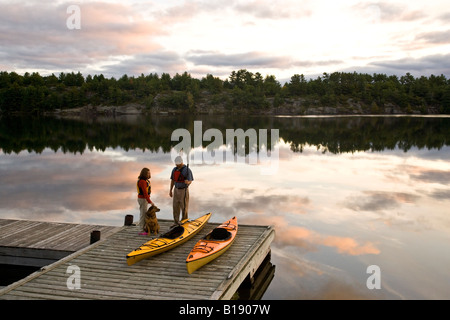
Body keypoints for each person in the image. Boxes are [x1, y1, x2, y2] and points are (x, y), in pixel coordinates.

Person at [169, 156, 193, 226]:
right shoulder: (174, 169)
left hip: (184, 190)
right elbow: (172, 180)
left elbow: (190, 180)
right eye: (175, 163)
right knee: (175, 206)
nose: (176, 164)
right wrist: (170, 190)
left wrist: (188, 182)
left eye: (177, 163)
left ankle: (184, 222)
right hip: (176, 190)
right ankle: (176, 222)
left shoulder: (187, 170)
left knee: (184, 207)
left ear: (181, 162)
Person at [137, 167, 154, 233]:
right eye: (148, 173)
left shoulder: (146, 181)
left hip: (144, 199)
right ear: (144, 174)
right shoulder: (142, 182)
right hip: (143, 199)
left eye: (149, 173)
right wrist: (150, 201)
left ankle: (144, 228)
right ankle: (141, 230)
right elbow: (145, 193)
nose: (149, 174)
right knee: (143, 214)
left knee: (143, 213)